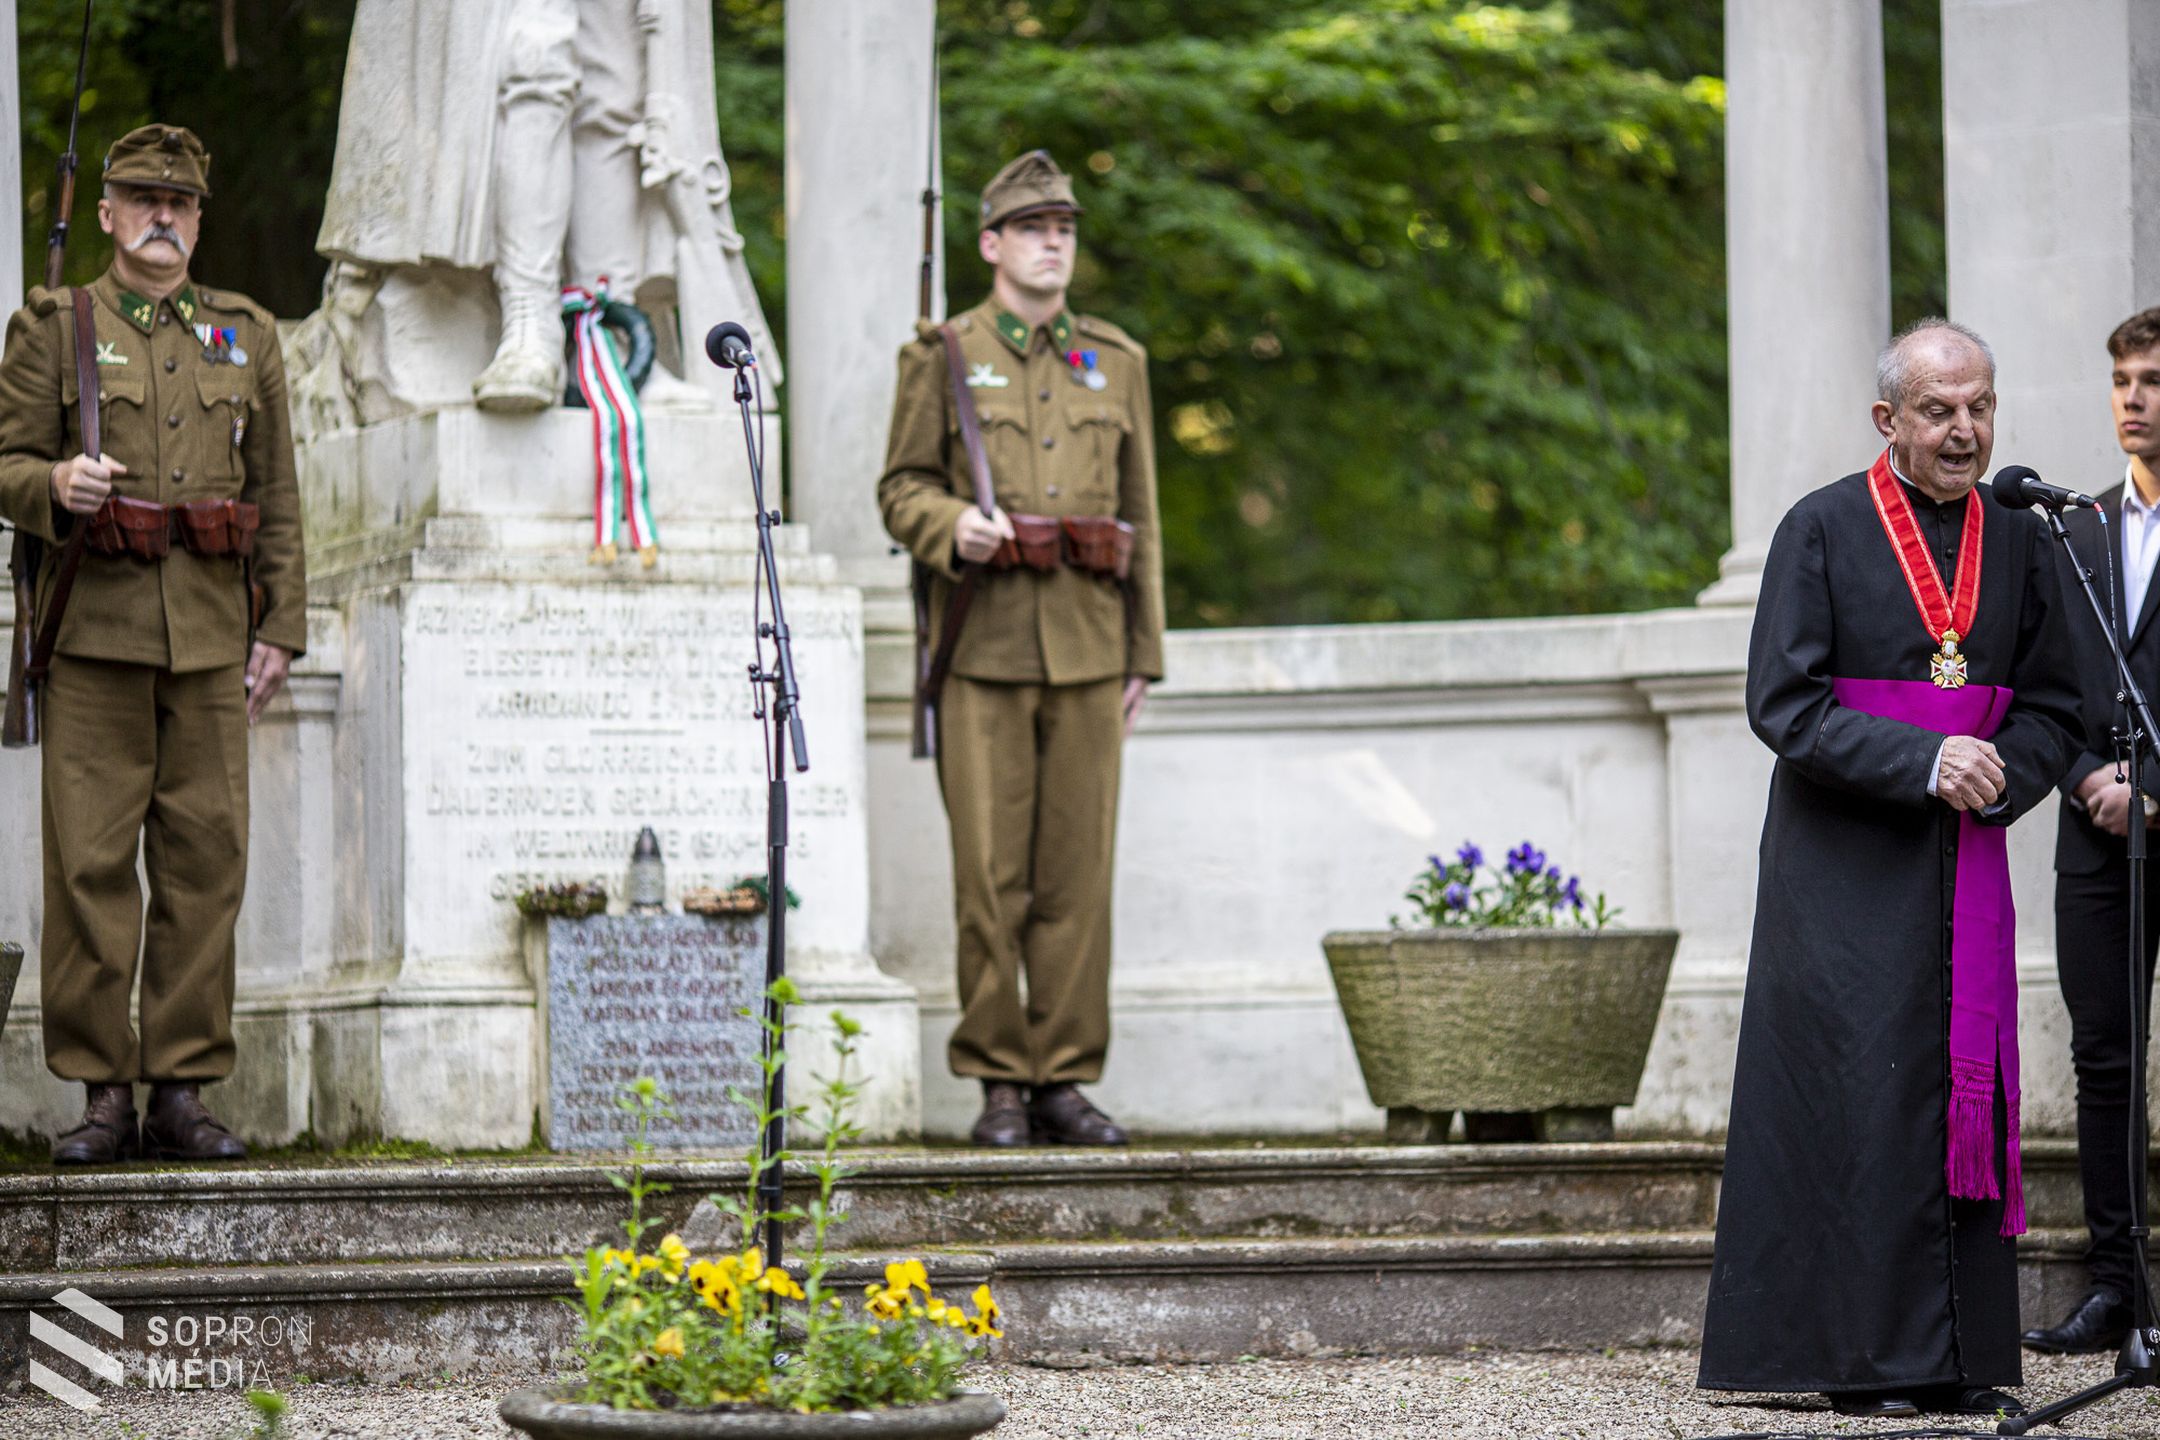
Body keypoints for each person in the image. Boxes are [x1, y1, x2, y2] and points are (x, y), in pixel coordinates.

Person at [1698, 319, 2080, 1418]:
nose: (1965, 431)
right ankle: (1861, 1361)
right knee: (1860, 1089)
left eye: (1980, 407)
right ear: (1889, 421)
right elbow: (1785, 702)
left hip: (1967, 850)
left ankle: (1953, 1357)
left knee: (1954, 1085)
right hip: (1844, 862)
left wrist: (2008, 772)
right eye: (1938, 411)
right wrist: (1921, 760)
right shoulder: (1817, 527)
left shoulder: (2021, 534)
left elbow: (2059, 702)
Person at [0, 124, 308, 1164]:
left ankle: (181, 1088)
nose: (163, 217)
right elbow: (4, 463)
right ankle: (100, 1092)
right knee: (89, 864)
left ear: (198, 220)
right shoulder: (54, 327)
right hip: (93, 635)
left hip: (215, 641)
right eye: (142, 199)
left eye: (180, 204)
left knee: (205, 862)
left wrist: (284, 626)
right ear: (107, 214)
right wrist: (52, 486)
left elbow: (278, 495)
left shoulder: (245, 334)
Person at [877, 151, 1166, 1148]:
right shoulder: (943, 356)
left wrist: (1144, 655)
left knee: (1077, 880)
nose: (1056, 242)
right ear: (992, 243)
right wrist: (952, 525)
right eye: (1035, 227)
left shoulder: (1115, 360)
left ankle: (1065, 1080)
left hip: (1089, 648)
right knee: (989, 877)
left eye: (1067, 228)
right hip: (983, 647)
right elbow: (901, 487)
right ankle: (1000, 1079)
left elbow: (1144, 520)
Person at [2024, 306, 2160, 1355]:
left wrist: (2154, 783)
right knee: (2104, 1063)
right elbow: (2043, 686)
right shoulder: (2072, 532)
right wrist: (2084, 777)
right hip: (2093, 838)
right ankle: (2119, 1287)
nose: (2133, 399)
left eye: (2151, 379)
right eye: (2121, 380)